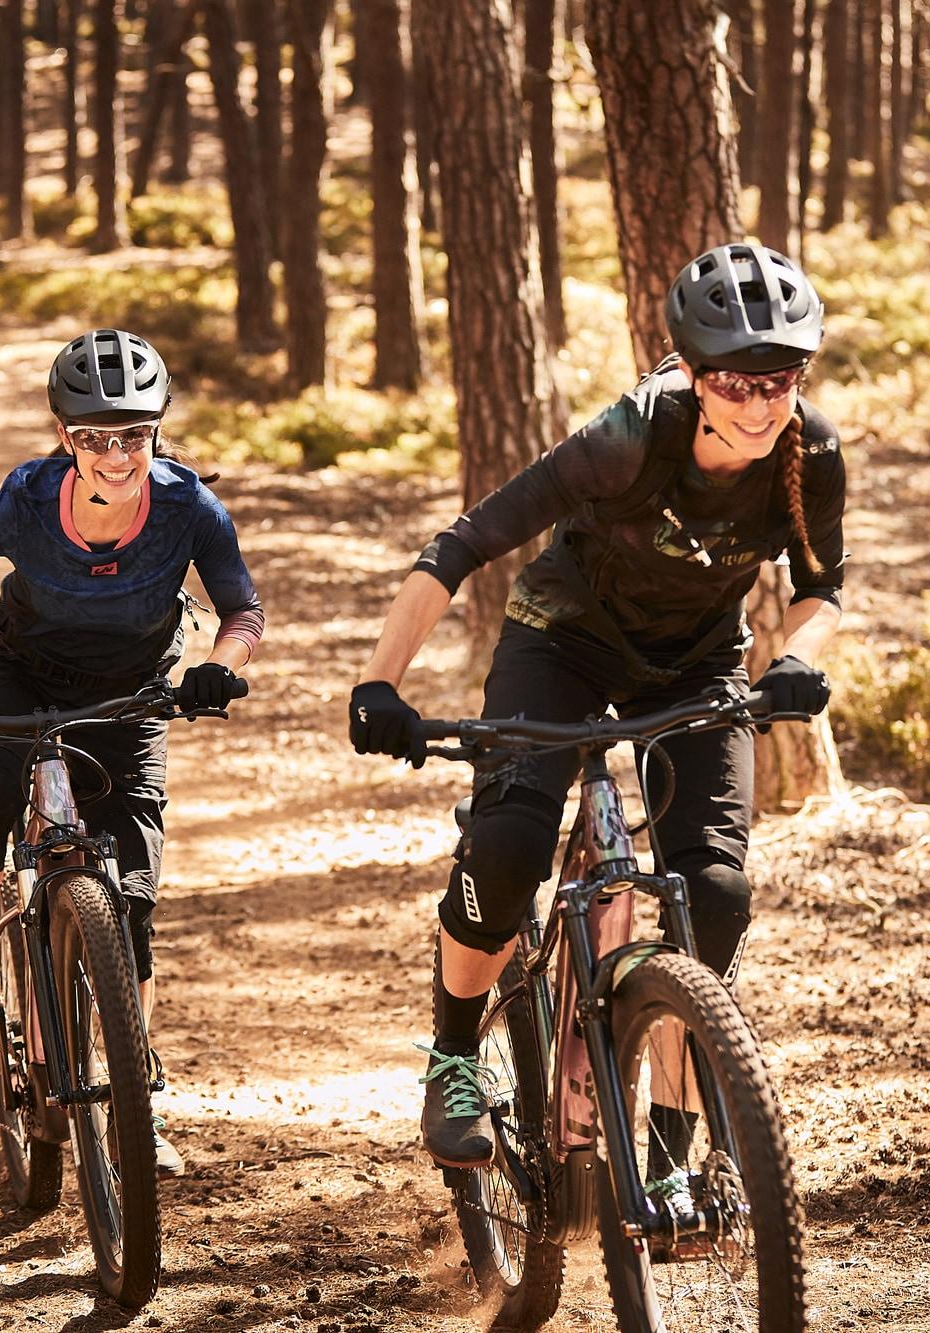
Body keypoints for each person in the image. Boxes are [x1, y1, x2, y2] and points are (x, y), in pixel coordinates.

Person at [348, 242, 844, 1170]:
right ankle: (454, 1056)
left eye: (779, 378)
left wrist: (797, 659)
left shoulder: (810, 450)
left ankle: (670, 1141)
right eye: (734, 383)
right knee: (504, 852)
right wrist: (381, 682)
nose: (760, 403)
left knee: (718, 894)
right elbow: (459, 549)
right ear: (695, 377)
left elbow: (824, 588)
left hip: (694, 668)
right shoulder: (629, 436)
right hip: (562, 644)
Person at [0, 328, 264, 1177]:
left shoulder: (188, 509)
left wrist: (219, 668)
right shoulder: (21, 505)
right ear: (65, 435)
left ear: (157, 430)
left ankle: (132, 1088)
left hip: (129, 693)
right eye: (94, 436)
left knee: (131, 906)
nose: (114, 453)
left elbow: (243, 609)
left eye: (132, 433)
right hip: (16, 672)